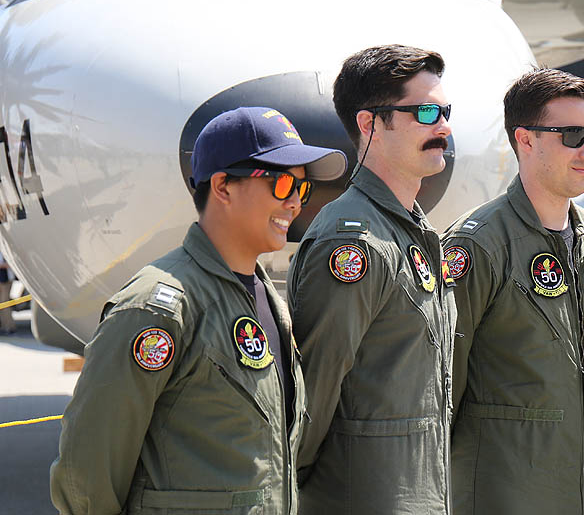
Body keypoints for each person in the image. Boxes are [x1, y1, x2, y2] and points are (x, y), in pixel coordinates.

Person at [50, 106, 347, 514]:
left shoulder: (270, 303)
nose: (295, 203)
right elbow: (87, 476)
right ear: (223, 186)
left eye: (303, 188)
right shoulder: (159, 308)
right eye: (281, 184)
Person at [288, 44, 457, 514]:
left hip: (419, 492)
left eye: (444, 112)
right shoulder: (353, 243)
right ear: (370, 124)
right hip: (361, 495)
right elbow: (316, 389)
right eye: (425, 112)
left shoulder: (411, 230)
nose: (443, 127)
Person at [443, 68, 584, 514]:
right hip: (500, 495)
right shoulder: (478, 244)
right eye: (572, 135)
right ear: (525, 140)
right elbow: (441, 383)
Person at [0, 251, 14, 335]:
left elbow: (10, 264)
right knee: (2, 304)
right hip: (2, 279)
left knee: (5, 303)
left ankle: (9, 327)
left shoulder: (5, 250)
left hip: (5, 280)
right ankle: (4, 326)